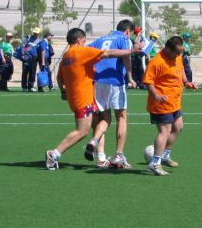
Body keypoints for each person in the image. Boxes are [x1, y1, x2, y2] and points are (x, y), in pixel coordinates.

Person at [44, 28, 133, 171]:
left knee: (100, 122)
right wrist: (131, 51)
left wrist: (63, 91)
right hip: (83, 99)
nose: (85, 43)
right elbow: (108, 53)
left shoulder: (66, 56)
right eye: (84, 41)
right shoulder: (81, 51)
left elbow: (59, 77)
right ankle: (53, 154)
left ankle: (101, 158)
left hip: (76, 98)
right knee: (82, 131)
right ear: (79, 40)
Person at [143, 36, 198, 176]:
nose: (179, 55)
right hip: (161, 103)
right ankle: (155, 163)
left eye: (181, 52)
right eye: (177, 52)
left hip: (175, 102)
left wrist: (187, 82)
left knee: (178, 127)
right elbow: (148, 82)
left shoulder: (177, 57)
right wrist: (156, 96)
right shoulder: (157, 62)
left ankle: (165, 155)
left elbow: (181, 70)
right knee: (164, 131)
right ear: (167, 49)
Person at [85, 20, 136, 169]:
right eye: (131, 34)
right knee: (121, 117)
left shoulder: (100, 40)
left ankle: (94, 141)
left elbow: (88, 54)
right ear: (128, 31)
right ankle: (119, 155)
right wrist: (131, 78)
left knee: (104, 118)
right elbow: (126, 57)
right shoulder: (123, 40)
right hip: (115, 82)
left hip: (98, 82)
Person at [21, 26, 41, 92]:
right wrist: (23, 54)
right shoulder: (27, 38)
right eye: (35, 33)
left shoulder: (39, 40)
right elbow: (23, 46)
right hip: (26, 58)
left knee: (32, 73)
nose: (35, 34)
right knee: (25, 73)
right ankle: (24, 87)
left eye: (37, 33)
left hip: (34, 59)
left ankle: (31, 87)